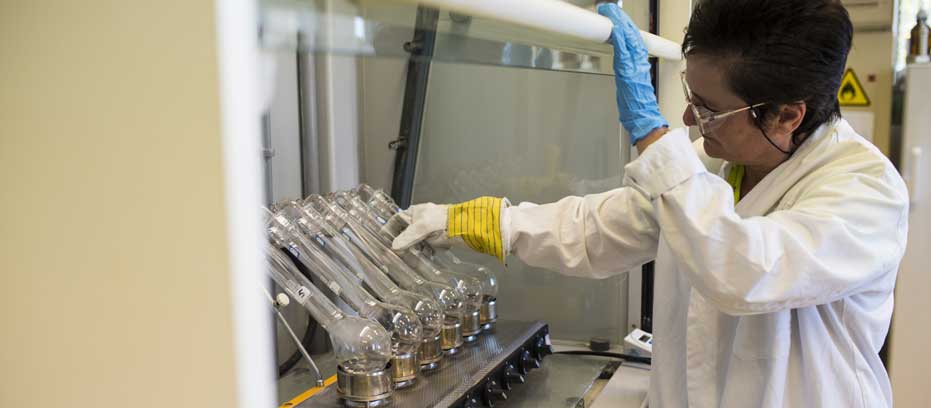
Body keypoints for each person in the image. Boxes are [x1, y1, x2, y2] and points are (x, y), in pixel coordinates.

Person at [388, 0, 909, 406]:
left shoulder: (866, 193)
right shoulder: (715, 167)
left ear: (787, 115)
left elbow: (744, 271)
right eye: (690, 96)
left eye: (709, 109)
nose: (688, 120)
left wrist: (650, 135)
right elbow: (600, 228)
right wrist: (473, 220)